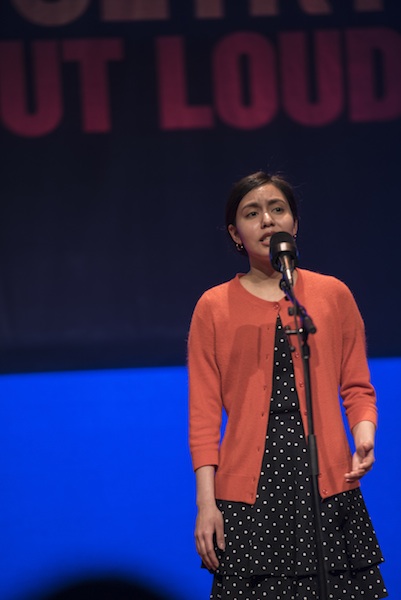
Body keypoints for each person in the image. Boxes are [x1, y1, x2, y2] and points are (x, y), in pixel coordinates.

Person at [188, 171, 387, 599]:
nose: (267, 221)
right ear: (235, 233)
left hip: (328, 479)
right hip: (249, 492)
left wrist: (364, 434)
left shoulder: (332, 295)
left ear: (294, 224)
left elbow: (357, 386)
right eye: (252, 213)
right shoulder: (213, 306)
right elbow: (203, 416)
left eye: (277, 209)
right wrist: (207, 504)